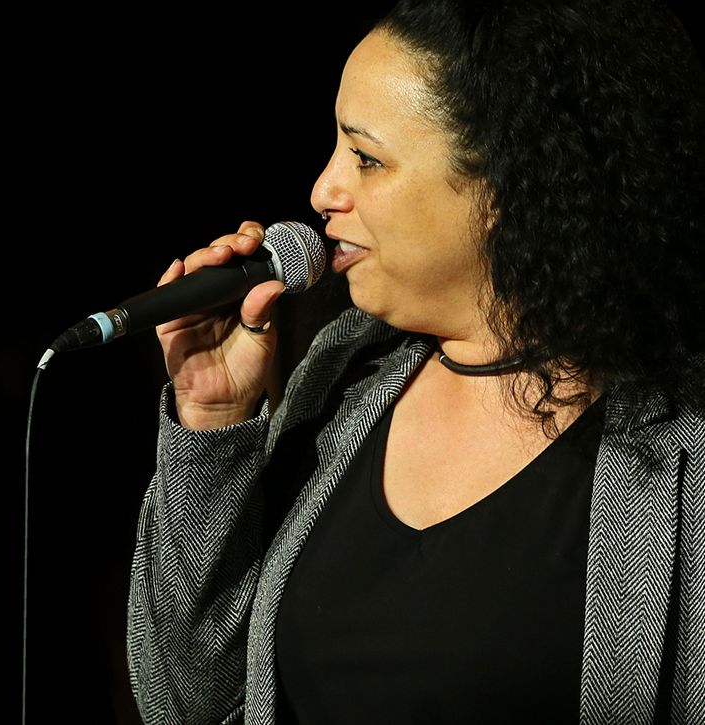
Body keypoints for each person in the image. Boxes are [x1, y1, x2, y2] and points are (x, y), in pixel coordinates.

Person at [126, 1, 704, 723]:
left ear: (508, 185)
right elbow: (184, 701)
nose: (322, 192)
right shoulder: (338, 380)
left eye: (366, 158)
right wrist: (214, 421)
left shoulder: (676, 450)